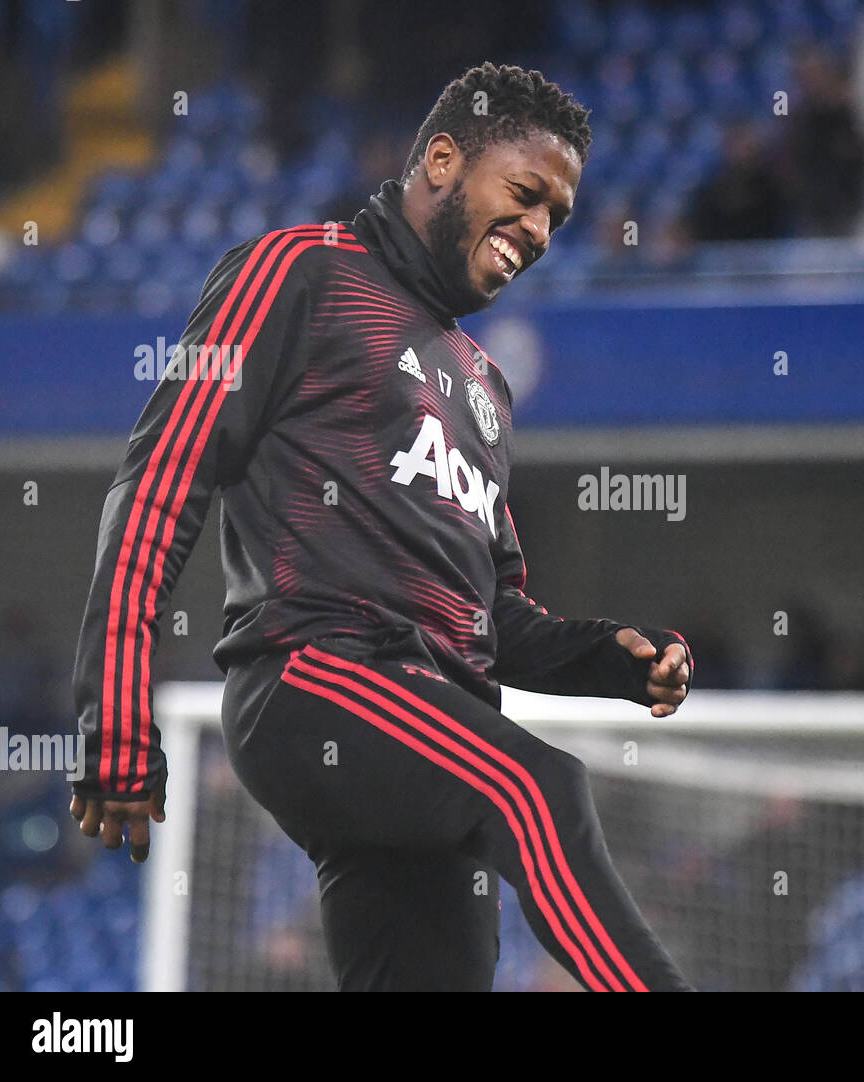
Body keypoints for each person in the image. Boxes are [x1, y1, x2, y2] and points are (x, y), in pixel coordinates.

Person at [69, 62, 695, 992]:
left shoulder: (486, 387)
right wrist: (115, 712)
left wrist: (611, 659)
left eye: (558, 218)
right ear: (443, 160)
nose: (539, 231)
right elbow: (160, 483)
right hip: (316, 679)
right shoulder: (300, 274)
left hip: (428, 737)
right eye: (525, 196)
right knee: (536, 790)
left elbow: (495, 620)